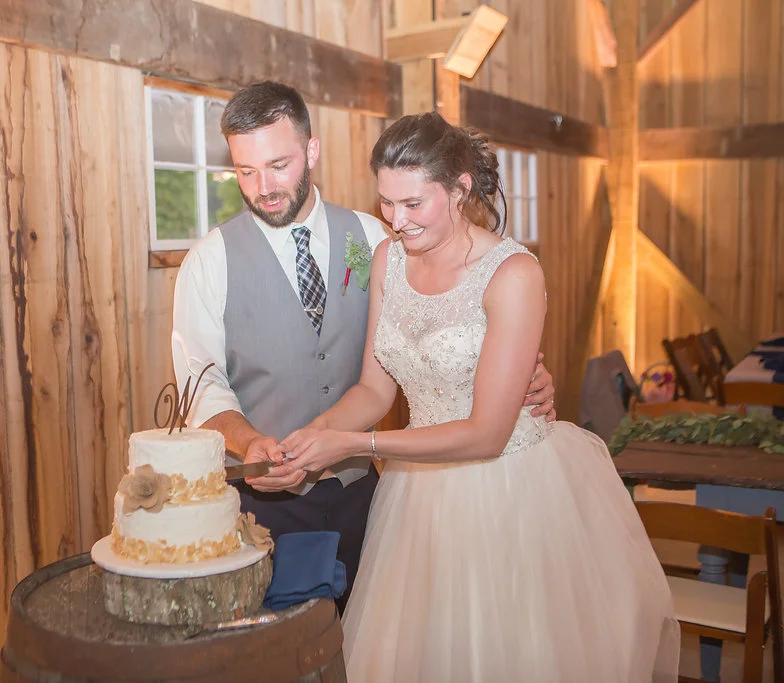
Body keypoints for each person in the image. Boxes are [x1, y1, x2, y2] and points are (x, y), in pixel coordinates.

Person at [280, 112, 681, 682]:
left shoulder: (512, 274)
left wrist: (353, 444)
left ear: (459, 189)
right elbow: (374, 388)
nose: (396, 220)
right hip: (419, 495)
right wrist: (317, 434)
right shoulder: (388, 259)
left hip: (509, 490)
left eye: (412, 203)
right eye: (386, 203)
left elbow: (488, 433)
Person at [171, 82, 558, 612]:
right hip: (265, 499)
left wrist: (528, 375)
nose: (265, 187)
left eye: (279, 165)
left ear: (311, 150)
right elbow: (201, 385)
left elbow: (464, 328)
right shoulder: (209, 261)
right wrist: (256, 442)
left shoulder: (379, 236)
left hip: (366, 492)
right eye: (246, 171)